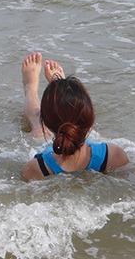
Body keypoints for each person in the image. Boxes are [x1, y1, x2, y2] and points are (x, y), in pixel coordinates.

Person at [19, 52, 128, 181]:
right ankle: (62, 92)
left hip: (47, 150)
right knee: (91, 131)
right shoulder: (114, 155)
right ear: (91, 118)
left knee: (36, 124)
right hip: (95, 150)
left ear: (46, 123)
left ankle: (31, 88)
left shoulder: (35, 168)